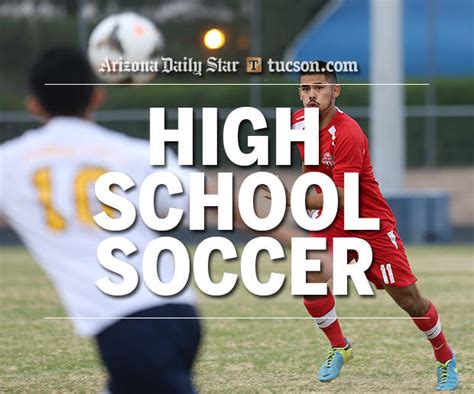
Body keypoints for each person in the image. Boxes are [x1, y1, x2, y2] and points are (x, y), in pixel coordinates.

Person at [0, 46, 200, 393]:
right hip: (178, 310)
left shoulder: (11, 164)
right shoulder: (134, 154)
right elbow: (226, 200)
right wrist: (308, 246)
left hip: (128, 326)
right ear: (97, 96)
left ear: (34, 103)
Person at [262, 61, 458, 391]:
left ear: (335, 91)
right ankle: (340, 347)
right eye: (305, 88)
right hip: (329, 221)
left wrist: (288, 196)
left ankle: (446, 357)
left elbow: (342, 196)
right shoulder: (298, 123)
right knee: (311, 281)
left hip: (368, 223)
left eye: (319, 88)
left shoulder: (349, 133)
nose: (311, 95)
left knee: (409, 300)